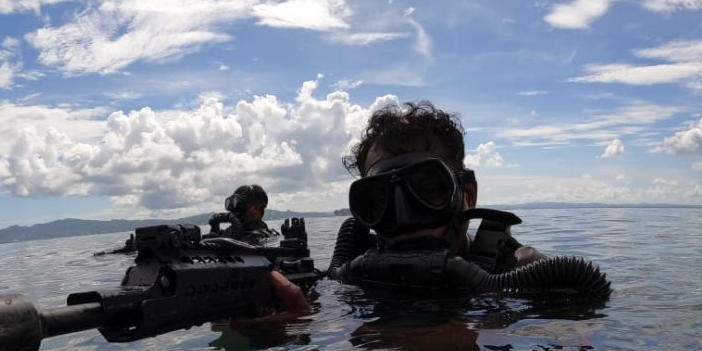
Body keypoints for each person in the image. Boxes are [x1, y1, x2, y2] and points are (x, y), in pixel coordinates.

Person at [327, 101, 542, 287]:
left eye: (428, 190)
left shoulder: (521, 273)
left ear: (467, 195)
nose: (405, 219)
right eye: (382, 199)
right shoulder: (352, 277)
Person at [212, 184, 278, 246]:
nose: (234, 211)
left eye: (239, 206)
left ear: (256, 208)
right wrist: (214, 228)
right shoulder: (227, 233)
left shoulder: (265, 237)